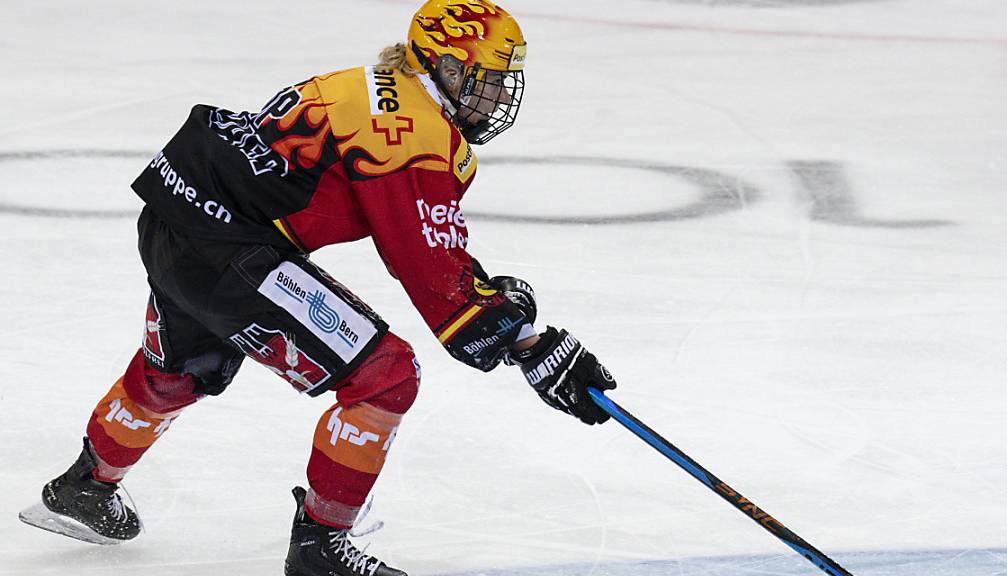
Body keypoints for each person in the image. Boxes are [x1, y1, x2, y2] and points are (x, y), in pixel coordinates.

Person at [19, 1, 618, 574]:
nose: (497, 95)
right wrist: (530, 345)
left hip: (180, 220)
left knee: (180, 367)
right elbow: (433, 277)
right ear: (447, 64)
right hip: (232, 247)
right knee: (385, 378)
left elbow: (424, 245)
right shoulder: (413, 131)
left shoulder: (371, 84)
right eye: (487, 78)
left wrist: (494, 308)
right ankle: (321, 546)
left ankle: (84, 487)